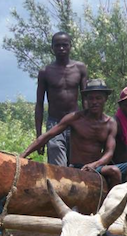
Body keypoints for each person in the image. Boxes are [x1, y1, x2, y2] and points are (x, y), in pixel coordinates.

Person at [22, 79, 122, 188]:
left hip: (96, 167)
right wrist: (23, 155)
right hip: (77, 167)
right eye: (91, 98)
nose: (94, 102)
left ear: (105, 99)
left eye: (98, 98)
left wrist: (94, 165)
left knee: (121, 170)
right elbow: (47, 136)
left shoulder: (110, 123)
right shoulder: (75, 118)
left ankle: (113, 202)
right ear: (86, 99)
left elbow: (109, 153)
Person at [35, 32, 88, 166]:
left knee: (77, 166)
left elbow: (86, 98)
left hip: (75, 122)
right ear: (52, 48)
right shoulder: (45, 72)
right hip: (55, 123)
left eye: (65, 45)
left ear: (70, 46)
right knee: (58, 168)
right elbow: (39, 104)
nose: (61, 49)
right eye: (57, 45)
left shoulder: (80, 68)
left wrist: (89, 125)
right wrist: (39, 136)